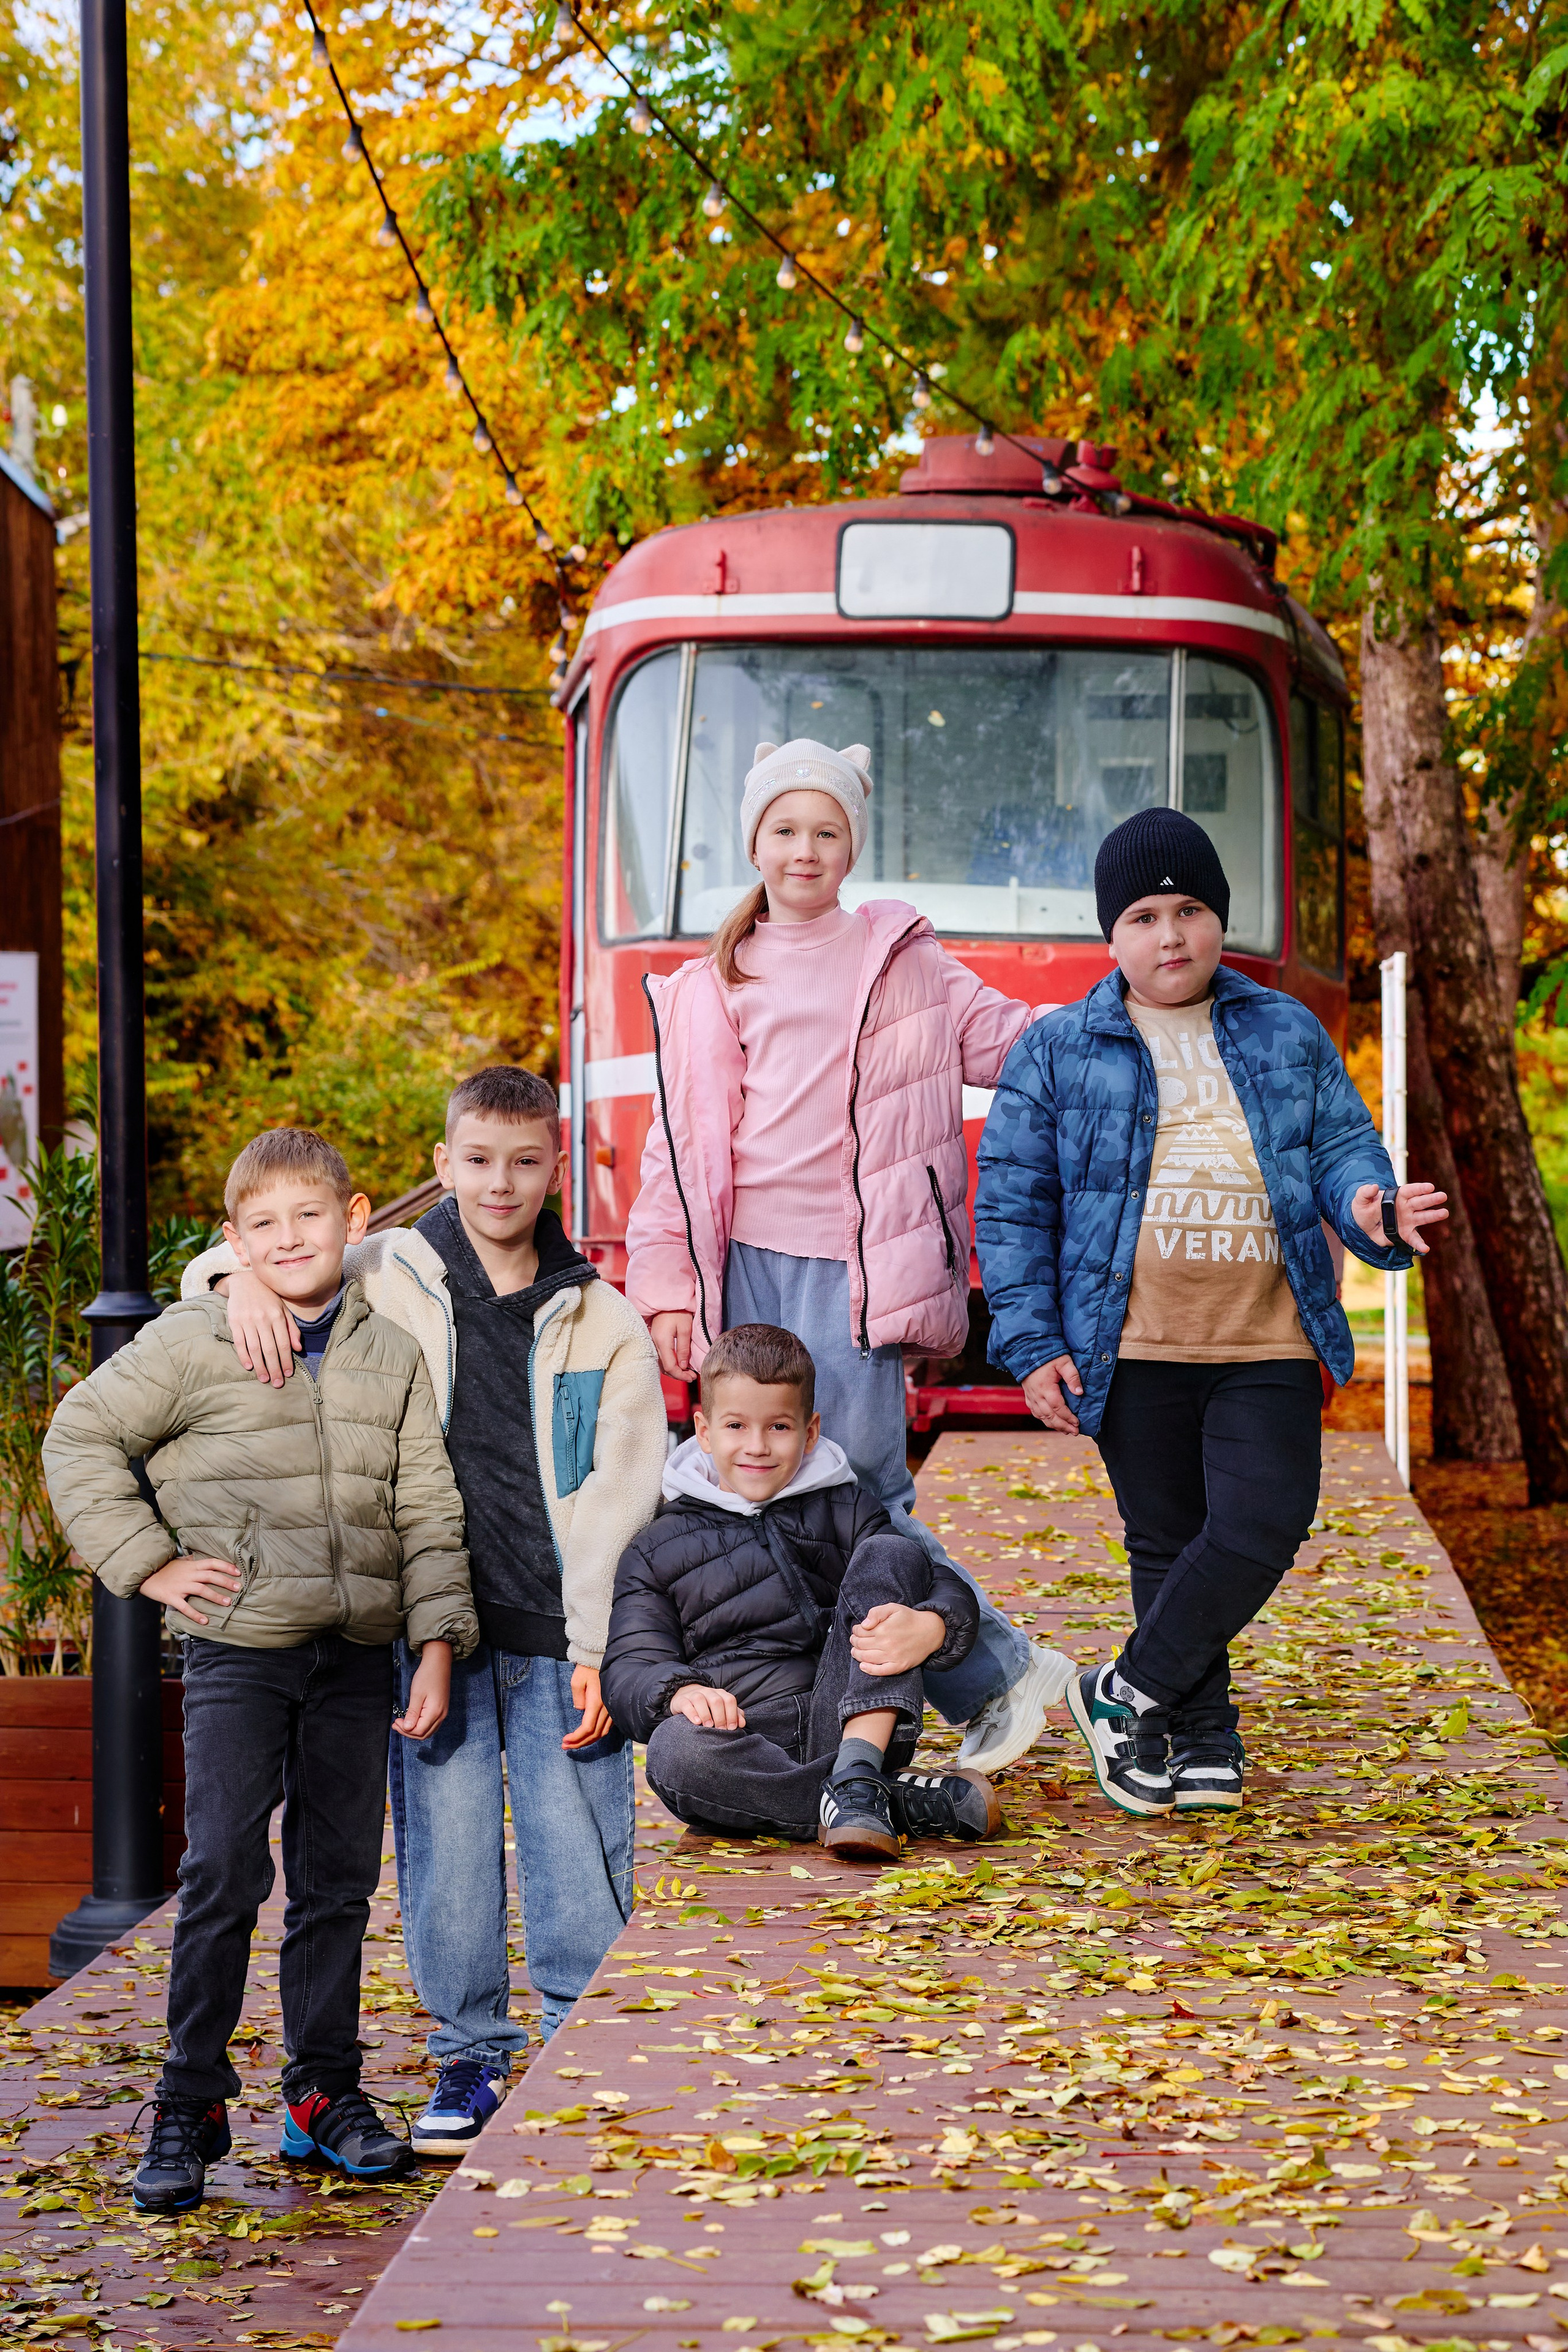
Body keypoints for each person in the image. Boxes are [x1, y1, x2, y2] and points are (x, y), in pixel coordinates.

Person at [182, 1068, 666, 2158]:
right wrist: (234, 1289)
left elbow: (623, 1494)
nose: (502, 1182)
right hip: (428, 1627)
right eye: (479, 1160)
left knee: (575, 1835)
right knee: (446, 1846)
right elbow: (248, 1255)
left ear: (557, 1167)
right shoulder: (390, 1269)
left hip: (555, 1630)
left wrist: (600, 1643)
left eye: (526, 1161)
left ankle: (579, 2041)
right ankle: (470, 2054)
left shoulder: (602, 1318)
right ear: (443, 1165)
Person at [976, 807, 1448, 1817]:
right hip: (1129, 1340)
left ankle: (1122, 1691)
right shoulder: (1057, 1049)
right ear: (1113, 936)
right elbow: (1013, 1207)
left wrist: (1373, 1210)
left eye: (1190, 909)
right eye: (1144, 915)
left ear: (1217, 919)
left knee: (1262, 1523)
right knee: (1168, 1537)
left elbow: (1343, 1151)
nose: (1171, 934)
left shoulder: (1283, 1028)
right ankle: (1198, 1735)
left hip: (1265, 1334)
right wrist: (1031, 1347)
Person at [42, 1128, 477, 2214]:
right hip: (240, 1650)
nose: (292, 1239)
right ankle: (190, 2099)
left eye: (310, 1217)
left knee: (338, 1885)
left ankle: (324, 2093)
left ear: (358, 1216)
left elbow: (427, 1507)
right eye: (265, 1225)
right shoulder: (199, 1339)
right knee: (224, 1875)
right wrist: (145, 1564)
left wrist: (433, 1641)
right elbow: (80, 1437)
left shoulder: (392, 1353)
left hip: (356, 1654)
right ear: (235, 1240)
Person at [625, 736, 1074, 1774]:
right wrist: (668, 1288)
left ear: (851, 847)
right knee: (757, 1485)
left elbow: (1015, 1043)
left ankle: (995, 1675)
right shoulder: (710, 982)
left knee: (864, 1488)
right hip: (741, 1263)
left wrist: (1129, 1010)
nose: (805, 849)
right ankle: (851, 1705)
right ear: (756, 843)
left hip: (855, 1265)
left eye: (826, 831)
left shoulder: (901, 958)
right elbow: (675, 1151)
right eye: (785, 829)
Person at [601, 1323, 1002, 1856]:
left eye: (779, 1427)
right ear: (703, 1429)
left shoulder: (846, 1507)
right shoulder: (657, 1545)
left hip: (858, 1718)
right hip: (747, 1735)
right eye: (736, 1426)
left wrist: (934, 1625)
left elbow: (938, 1582)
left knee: (894, 1550)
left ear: (810, 1431)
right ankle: (875, 1800)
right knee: (675, 1753)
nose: (757, 1447)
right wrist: (679, 1691)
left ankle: (860, 1773)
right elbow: (630, 1661)